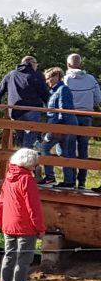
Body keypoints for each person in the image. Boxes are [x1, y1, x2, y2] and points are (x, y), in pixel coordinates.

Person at [0, 148, 45, 281]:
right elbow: (33, 207)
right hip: (25, 226)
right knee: (23, 261)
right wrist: (40, 228)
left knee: (9, 258)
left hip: (9, 224)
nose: (36, 165)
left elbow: (1, 204)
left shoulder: (9, 178)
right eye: (35, 162)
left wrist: (2, 222)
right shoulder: (27, 179)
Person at [0, 56, 49, 150]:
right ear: (31, 63)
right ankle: (25, 157)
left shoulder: (11, 74)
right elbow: (44, 93)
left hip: (15, 111)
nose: (36, 66)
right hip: (32, 110)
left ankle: (21, 156)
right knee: (29, 139)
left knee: (21, 137)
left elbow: (0, 88)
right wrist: (49, 106)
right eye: (36, 64)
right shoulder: (36, 76)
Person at [63, 54, 101, 190]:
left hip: (71, 116)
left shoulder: (66, 79)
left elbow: (63, 97)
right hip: (87, 115)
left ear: (68, 64)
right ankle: (82, 182)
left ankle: (70, 180)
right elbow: (98, 98)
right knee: (83, 149)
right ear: (80, 64)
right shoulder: (91, 79)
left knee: (70, 148)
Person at [40, 67, 77, 188]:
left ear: (57, 76)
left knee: (45, 148)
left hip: (61, 125)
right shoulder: (54, 91)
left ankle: (51, 177)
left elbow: (64, 109)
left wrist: (58, 127)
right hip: (59, 124)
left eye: (49, 78)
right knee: (64, 153)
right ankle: (69, 181)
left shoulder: (63, 89)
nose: (47, 81)